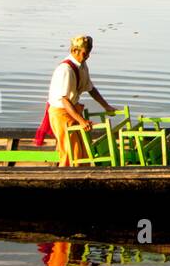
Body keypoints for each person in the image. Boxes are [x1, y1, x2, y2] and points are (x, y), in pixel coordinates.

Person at [34, 35, 116, 167]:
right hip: (61, 113)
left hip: (72, 110)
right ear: (74, 51)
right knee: (71, 151)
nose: (87, 56)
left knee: (82, 150)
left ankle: (80, 175)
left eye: (89, 52)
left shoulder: (82, 65)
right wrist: (81, 121)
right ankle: (64, 177)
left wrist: (106, 106)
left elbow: (90, 88)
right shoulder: (65, 70)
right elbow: (65, 100)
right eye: (85, 53)